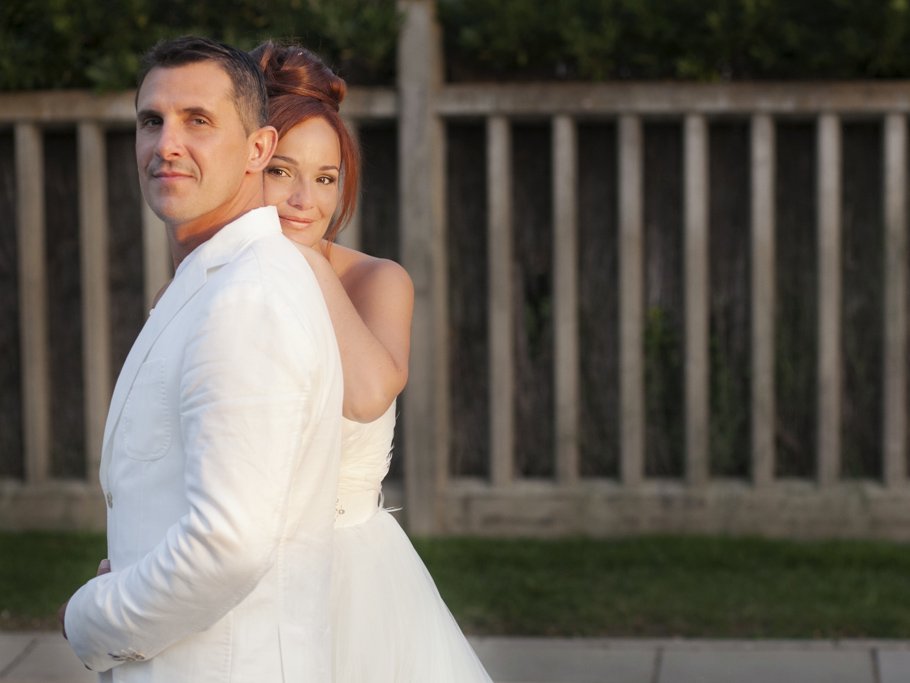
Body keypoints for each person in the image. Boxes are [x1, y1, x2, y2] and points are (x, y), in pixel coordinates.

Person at [60, 36, 343, 682]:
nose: (166, 144)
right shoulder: (216, 281)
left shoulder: (248, 297)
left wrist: (90, 617)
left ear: (259, 149)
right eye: (151, 121)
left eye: (198, 121)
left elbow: (228, 545)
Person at [251, 40, 493, 682]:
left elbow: (367, 393)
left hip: (354, 582)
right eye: (283, 171)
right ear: (249, 165)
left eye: (326, 178)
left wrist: (301, 256)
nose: (307, 199)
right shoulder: (213, 288)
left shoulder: (378, 282)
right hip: (238, 579)